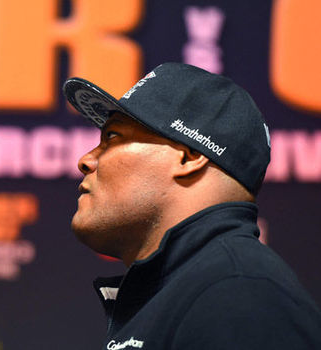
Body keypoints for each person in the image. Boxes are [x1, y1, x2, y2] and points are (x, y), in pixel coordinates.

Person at [63, 62, 321, 349]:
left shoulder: (240, 295)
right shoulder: (193, 291)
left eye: (112, 137)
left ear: (188, 158)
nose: (85, 160)